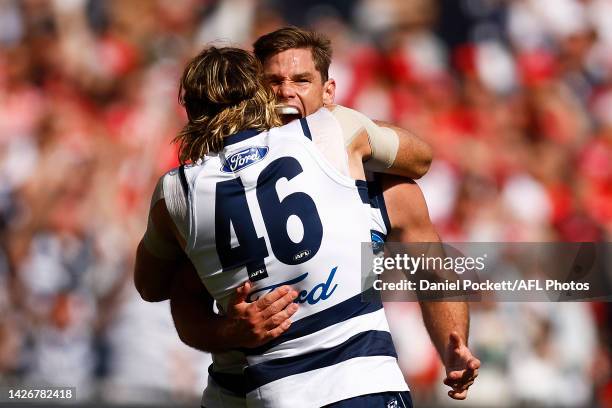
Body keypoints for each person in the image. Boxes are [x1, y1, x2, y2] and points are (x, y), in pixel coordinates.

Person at [135, 45, 433, 407]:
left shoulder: (176, 192)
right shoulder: (327, 130)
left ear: (192, 111)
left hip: (278, 393)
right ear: (261, 93)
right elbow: (420, 158)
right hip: (365, 381)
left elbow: (150, 287)